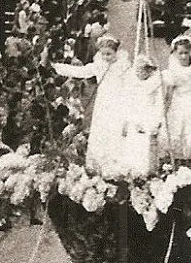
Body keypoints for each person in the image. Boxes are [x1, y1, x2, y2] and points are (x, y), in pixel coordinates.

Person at [50, 35, 132, 177]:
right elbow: (80, 71)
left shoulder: (123, 68)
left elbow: (130, 87)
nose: (106, 57)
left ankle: (115, 169)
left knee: (115, 133)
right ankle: (98, 168)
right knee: (101, 133)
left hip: (118, 103)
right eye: (103, 54)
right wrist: (56, 67)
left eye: (109, 54)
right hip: (103, 104)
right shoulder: (99, 66)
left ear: (116, 53)